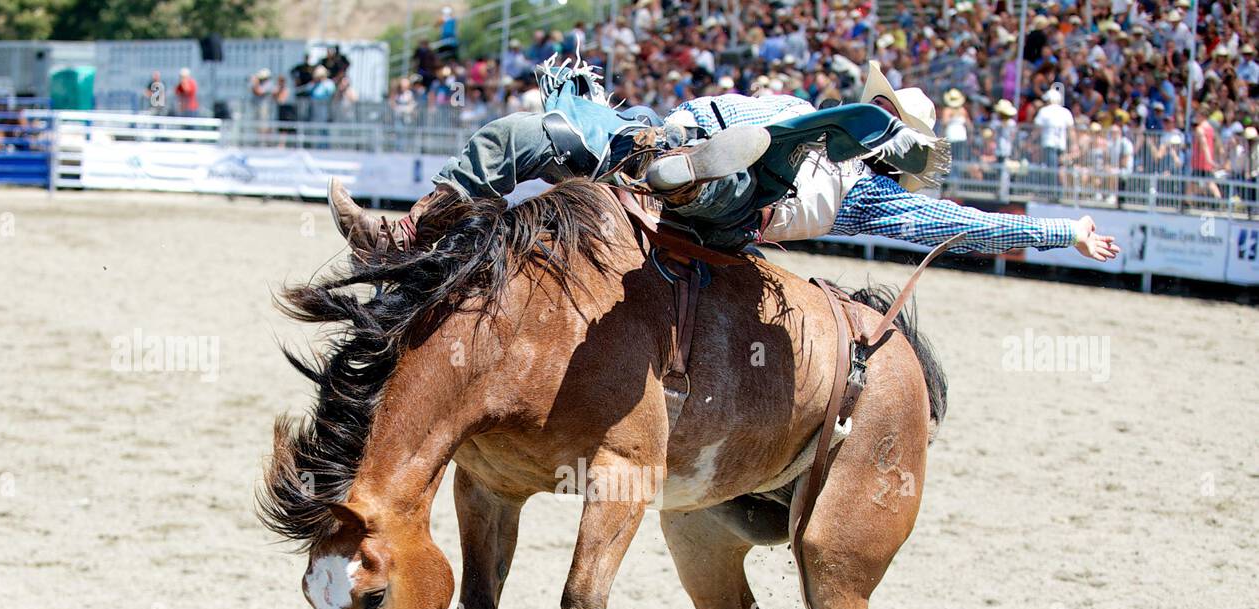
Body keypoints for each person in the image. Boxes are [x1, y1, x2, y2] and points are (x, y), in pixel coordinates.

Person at [330, 60, 1118, 267]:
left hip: (744, 201)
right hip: (668, 132)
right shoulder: (791, 102)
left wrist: (1061, 230)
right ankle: (406, 233)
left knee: (753, 169)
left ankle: (698, 172)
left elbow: (963, 225)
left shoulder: (875, 197)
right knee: (523, 133)